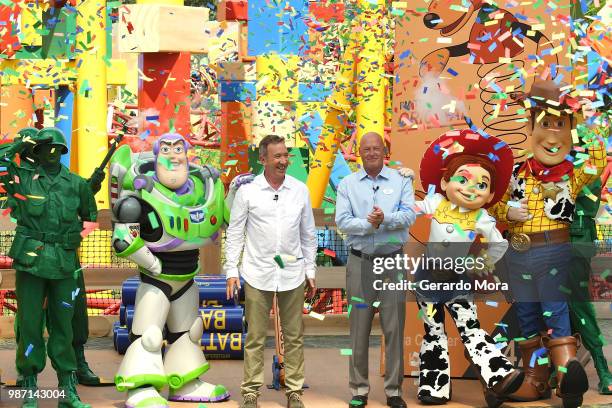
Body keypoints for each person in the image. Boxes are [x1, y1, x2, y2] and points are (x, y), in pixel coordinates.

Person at [490, 80, 607, 408]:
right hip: (519, 252)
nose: (553, 134)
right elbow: (496, 206)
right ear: (531, 127)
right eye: (546, 123)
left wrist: (582, 119)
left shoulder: (572, 174)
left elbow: (597, 157)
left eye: (561, 125)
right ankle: (534, 379)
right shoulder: (517, 172)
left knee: (555, 310)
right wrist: (507, 210)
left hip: (555, 250)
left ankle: (567, 378)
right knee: (526, 314)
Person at [110, 133, 230, 407]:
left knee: (189, 332)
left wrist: (234, 191)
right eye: (166, 150)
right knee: (149, 334)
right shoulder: (138, 199)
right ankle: (141, 387)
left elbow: (224, 218)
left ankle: (185, 380)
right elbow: (122, 240)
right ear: (156, 156)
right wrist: (151, 264)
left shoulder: (199, 191)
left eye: (179, 150)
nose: (174, 156)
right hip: (156, 278)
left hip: (187, 275)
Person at [413, 130, 523, 407]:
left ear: (489, 195)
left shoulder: (482, 217)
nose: (471, 188)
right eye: (463, 179)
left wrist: (479, 262)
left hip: (458, 279)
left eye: (481, 184)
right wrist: (402, 183)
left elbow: (498, 245)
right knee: (433, 330)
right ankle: (434, 387)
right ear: (444, 182)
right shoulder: (436, 202)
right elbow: (408, 208)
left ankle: (499, 375)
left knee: (470, 328)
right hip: (427, 277)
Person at [1, 127, 96, 408]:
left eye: (58, 149)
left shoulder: (76, 184)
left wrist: (71, 240)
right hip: (31, 260)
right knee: (30, 324)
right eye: (46, 148)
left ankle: (67, 388)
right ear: (38, 151)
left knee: (63, 327)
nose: (52, 154)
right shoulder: (23, 180)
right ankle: (29, 385)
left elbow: (90, 219)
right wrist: (21, 143)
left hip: (64, 262)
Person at [224, 135, 317, 408]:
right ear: (263, 159)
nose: (283, 161)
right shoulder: (247, 192)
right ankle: (251, 392)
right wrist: (232, 271)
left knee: (294, 337)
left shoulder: (300, 190)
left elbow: (308, 235)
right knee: (254, 336)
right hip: (257, 274)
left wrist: (310, 269)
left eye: (285, 155)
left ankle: (294, 392)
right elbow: (235, 233)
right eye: (277, 156)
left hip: (292, 274)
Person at [335, 132, 416, 408]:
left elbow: (409, 215)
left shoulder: (401, 179)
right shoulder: (347, 184)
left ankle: (394, 392)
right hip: (359, 262)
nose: (371, 152)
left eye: (376, 148)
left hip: (393, 261)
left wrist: (386, 219)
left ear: (384, 151)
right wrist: (369, 225)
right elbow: (343, 221)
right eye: (366, 149)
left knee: (394, 328)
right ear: (359, 152)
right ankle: (359, 389)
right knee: (358, 329)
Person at [569, 176, 612, 395]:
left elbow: (588, 203)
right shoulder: (533, 165)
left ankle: (602, 367)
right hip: (540, 242)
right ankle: (558, 368)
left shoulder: (586, 160)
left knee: (579, 304)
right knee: (549, 305)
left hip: (575, 240)